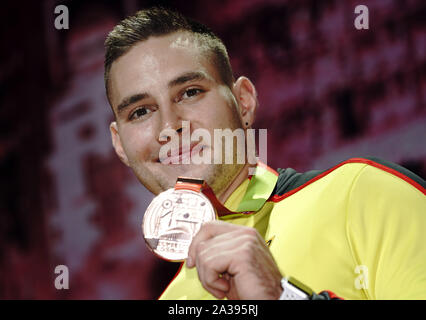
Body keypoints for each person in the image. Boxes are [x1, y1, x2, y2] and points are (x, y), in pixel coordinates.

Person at [104, 7, 426, 300]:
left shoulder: (362, 196)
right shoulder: (175, 301)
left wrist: (282, 297)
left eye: (190, 93)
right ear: (120, 144)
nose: (169, 126)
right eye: (140, 112)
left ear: (243, 101)